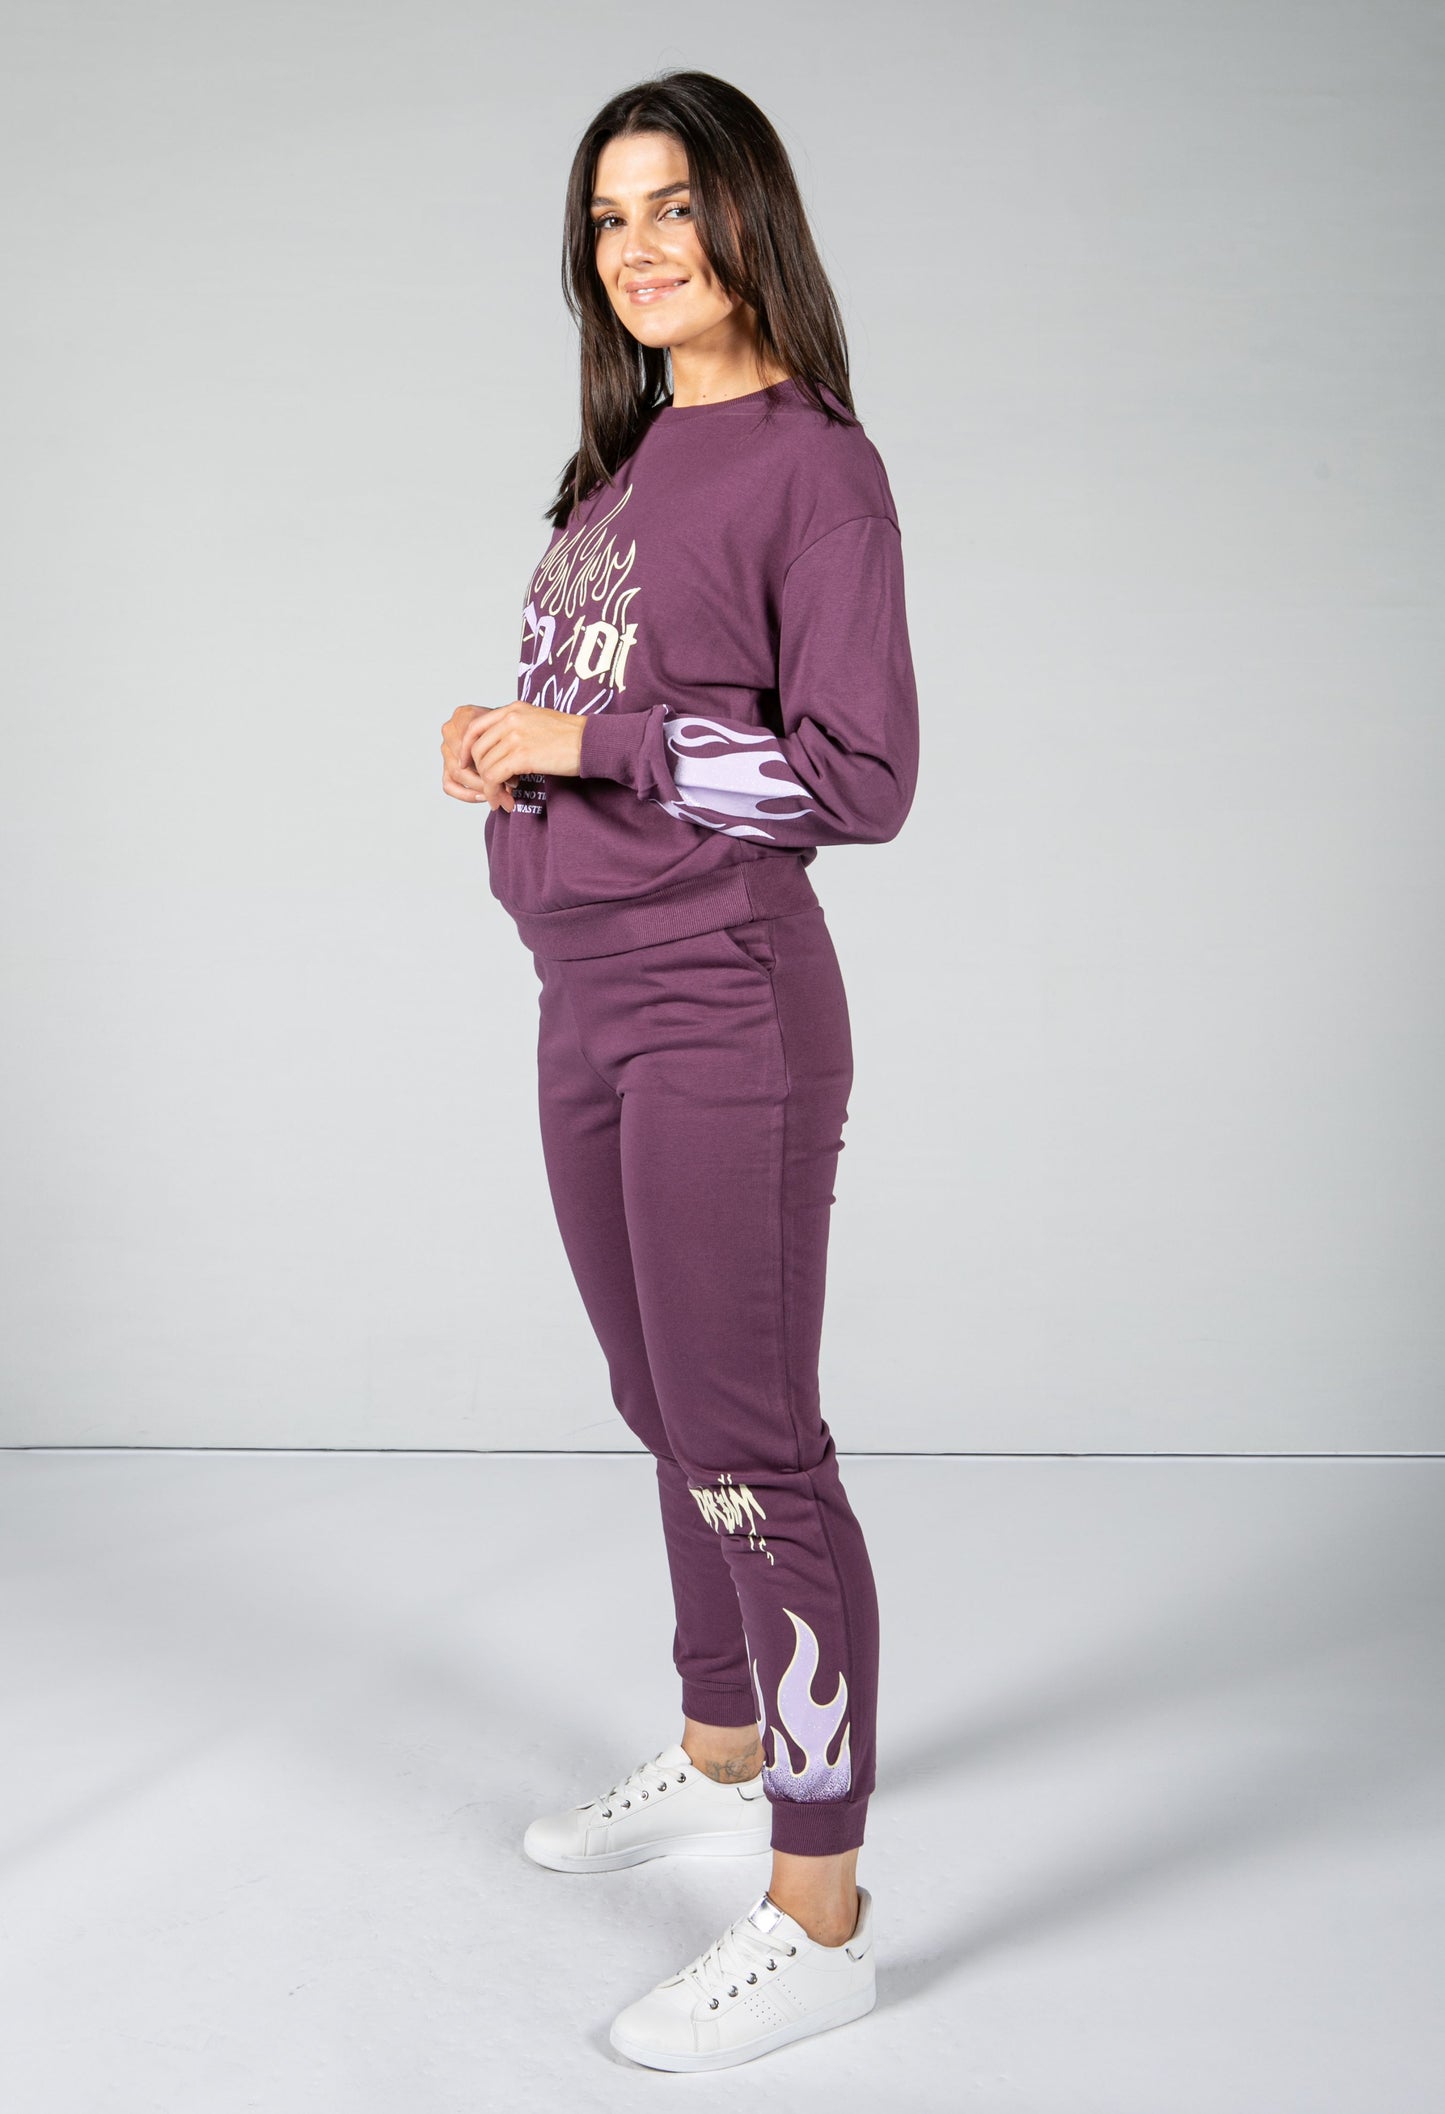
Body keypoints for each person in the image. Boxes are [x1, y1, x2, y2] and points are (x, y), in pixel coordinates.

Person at [440, 68, 920, 2073]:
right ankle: (724, 1744)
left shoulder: (816, 469)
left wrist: (591, 752)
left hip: (725, 1005)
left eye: (670, 206)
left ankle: (820, 1911)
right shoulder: (624, 469)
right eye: (606, 217)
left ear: (749, 219)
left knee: (746, 1439)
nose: (636, 248)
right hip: (587, 998)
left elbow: (855, 780)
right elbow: (615, 709)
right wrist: (512, 768)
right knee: (659, 1403)